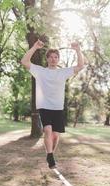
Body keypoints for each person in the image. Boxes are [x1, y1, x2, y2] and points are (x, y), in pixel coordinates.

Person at [21, 39, 84, 169]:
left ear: (58, 59)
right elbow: (24, 62)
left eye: (56, 57)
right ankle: (50, 156)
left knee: (55, 135)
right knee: (47, 130)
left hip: (57, 108)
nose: (53, 59)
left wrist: (78, 50)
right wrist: (34, 47)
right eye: (51, 57)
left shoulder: (63, 72)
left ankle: (50, 154)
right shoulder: (40, 71)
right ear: (47, 59)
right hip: (44, 106)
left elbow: (80, 66)